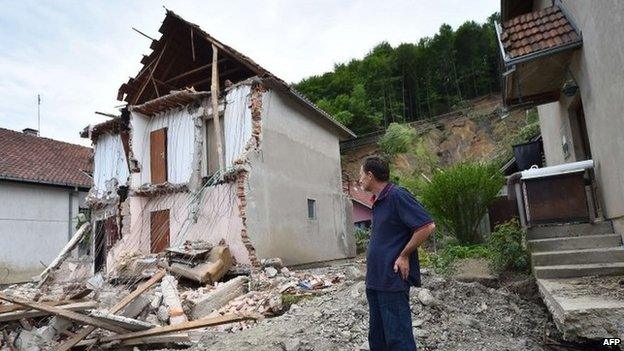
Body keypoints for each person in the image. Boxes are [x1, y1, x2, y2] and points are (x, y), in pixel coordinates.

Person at [359, 156, 436, 351]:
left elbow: (426, 226)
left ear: (370, 175)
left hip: (391, 281)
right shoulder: (379, 202)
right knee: (378, 340)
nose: (359, 180)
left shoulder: (397, 195)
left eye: (361, 175)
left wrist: (404, 254)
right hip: (376, 281)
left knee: (398, 340)